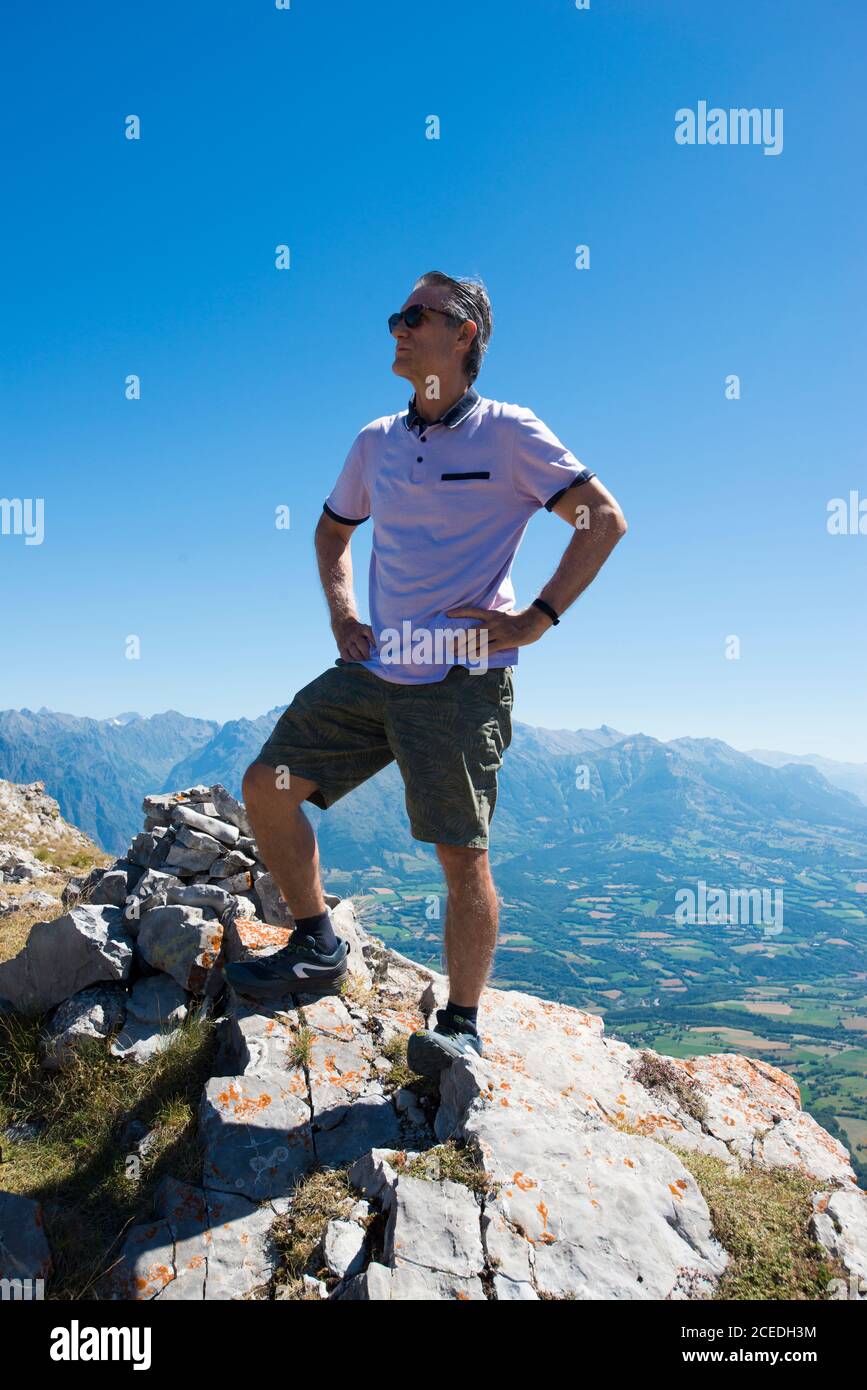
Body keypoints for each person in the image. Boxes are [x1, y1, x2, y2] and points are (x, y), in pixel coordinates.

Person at [224, 271, 628, 1075]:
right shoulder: (374, 441)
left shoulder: (510, 433)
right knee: (266, 784)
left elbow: (602, 519)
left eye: (415, 316)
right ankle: (314, 945)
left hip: (460, 681)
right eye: (395, 317)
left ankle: (462, 1022)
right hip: (376, 672)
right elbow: (331, 534)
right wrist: (343, 614)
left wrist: (535, 620)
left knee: (458, 855)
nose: (397, 329)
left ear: (465, 332)